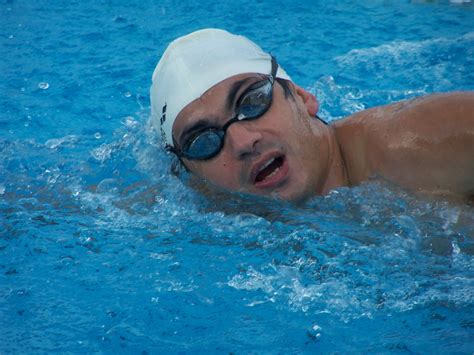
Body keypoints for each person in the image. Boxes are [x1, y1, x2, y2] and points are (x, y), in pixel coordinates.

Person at [150, 28, 474, 203]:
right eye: (203, 141)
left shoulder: (414, 142)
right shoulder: (221, 213)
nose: (242, 141)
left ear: (302, 97)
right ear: (192, 176)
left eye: (252, 102)